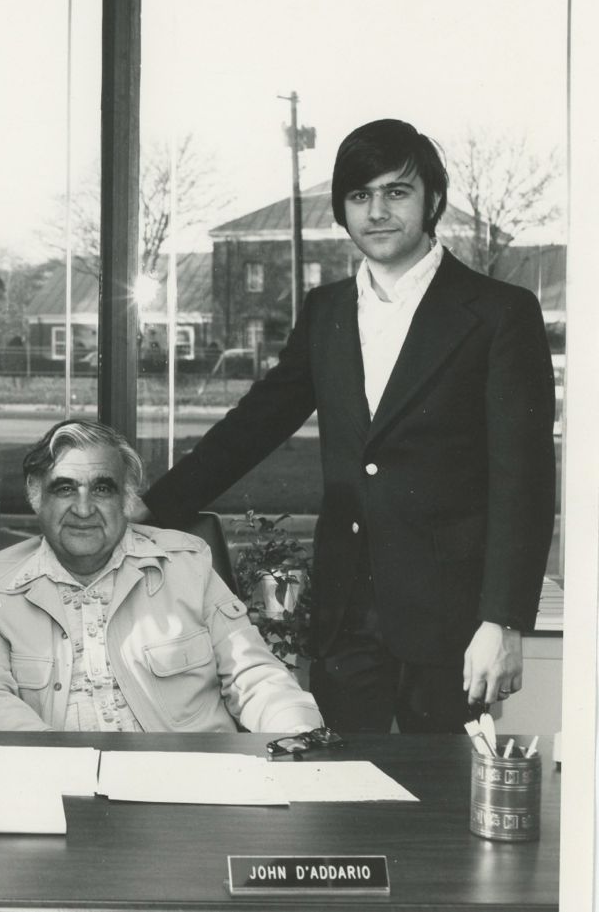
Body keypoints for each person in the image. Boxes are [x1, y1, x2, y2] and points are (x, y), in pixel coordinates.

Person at [140, 118, 556, 734]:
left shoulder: (499, 313)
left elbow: (524, 480)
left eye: (397, 192)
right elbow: (255, 424)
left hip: (454, 622)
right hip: (345, 614)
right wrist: (152, 507)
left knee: (441, 816)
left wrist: (504, 620)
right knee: (338, 808)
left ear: (433, 200)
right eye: (360, 196)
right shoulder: (327, 310)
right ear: (341, 210)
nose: (377, 211)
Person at [0, 420, 321, 734]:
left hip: (187, 785)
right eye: (65, 488)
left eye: (102, 488)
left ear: (127, 501)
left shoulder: (187, 566)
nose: (83, 509)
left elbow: (254, 676)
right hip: (60, 783)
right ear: (37, 499)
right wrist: (60, 762)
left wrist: (298, 734)